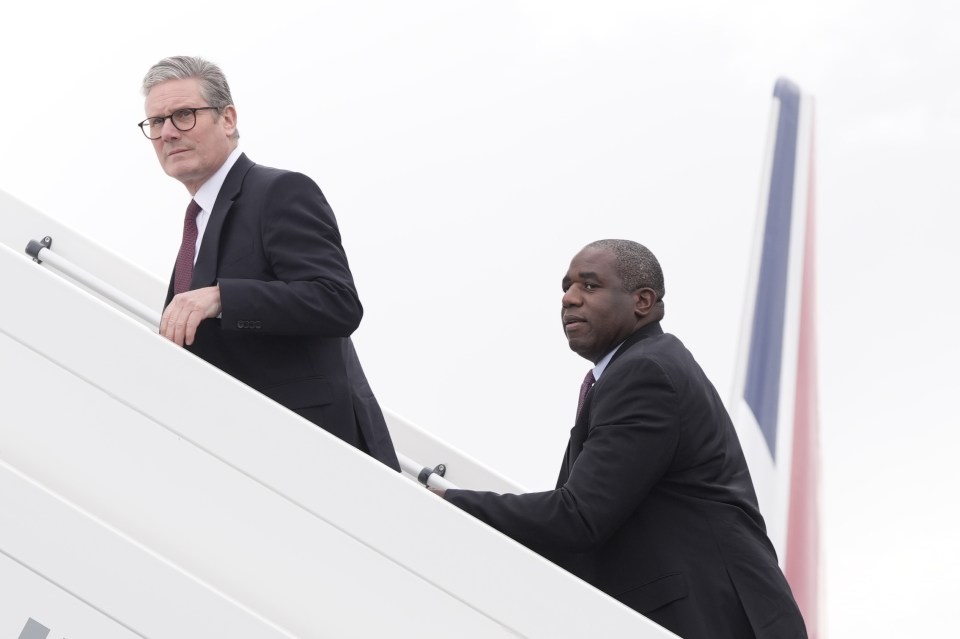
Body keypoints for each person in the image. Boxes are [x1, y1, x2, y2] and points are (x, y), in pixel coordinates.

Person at [436, 240, 807, 638]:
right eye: (566, 287)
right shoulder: (636, 369)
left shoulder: (644, 373)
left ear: (642, 301)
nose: (569, 299)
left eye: (590, 286)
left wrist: (446, 501)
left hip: (713, 618)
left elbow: (578, 517)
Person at [140, 55, 399, 472]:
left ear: (227, 119)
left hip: (316, 454)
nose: (168, 132)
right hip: (245, 455)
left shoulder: (278, 191)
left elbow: (337, 302)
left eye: (184, 115)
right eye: (156, 122)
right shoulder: (199, 222)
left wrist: (222, 298)